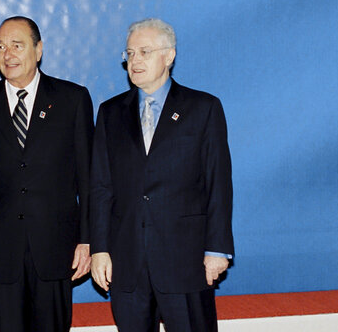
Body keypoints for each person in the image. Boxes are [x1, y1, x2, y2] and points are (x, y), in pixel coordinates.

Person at [90, 18, 234, 332]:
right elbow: (101, 187)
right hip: (127, 261)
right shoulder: (110, 113)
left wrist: (217, 249)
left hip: (186, 260)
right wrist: (99, 249)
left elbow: (218, 183)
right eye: (130, 53)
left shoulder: (202, 108)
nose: (135, 60)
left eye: (144, 51)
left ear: (168, 56)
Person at [0, 16, 94, 332]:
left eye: (16, 45)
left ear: (38, 50)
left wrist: (88, 239)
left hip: (55, 250)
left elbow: (89, 179)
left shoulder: (72, 100)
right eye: (0, 46)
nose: (7, 54)